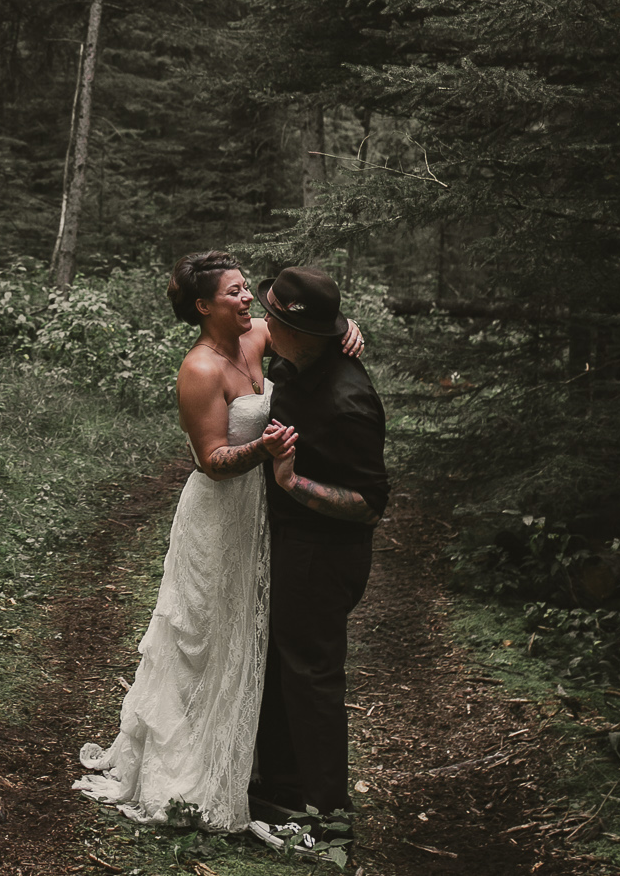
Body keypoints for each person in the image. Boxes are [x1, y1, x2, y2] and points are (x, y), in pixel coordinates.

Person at [74, 251, 362, 833]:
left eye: (245, 290)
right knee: (203, 635)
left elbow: (305, 331)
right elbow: (211, 460)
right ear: (205, 306)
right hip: (218, 515)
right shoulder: (200, 370)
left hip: (260, 513)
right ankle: (186, 766)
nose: (248, 299)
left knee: (247, 632)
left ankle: (250, 759)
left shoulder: (256, 338)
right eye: (234, 292)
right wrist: (265, 450)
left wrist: (348, 330)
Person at [247, 265, 391, 846]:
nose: (263, 322)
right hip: (291, 543)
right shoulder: (297, 360)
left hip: (324, 554)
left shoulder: (347, 400)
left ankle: (330, 822)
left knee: (312, 677)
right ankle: (279, 792)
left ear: (294, 329)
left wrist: (292, 483)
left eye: (272, 316)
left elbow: (369, 503)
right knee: (281, 668)